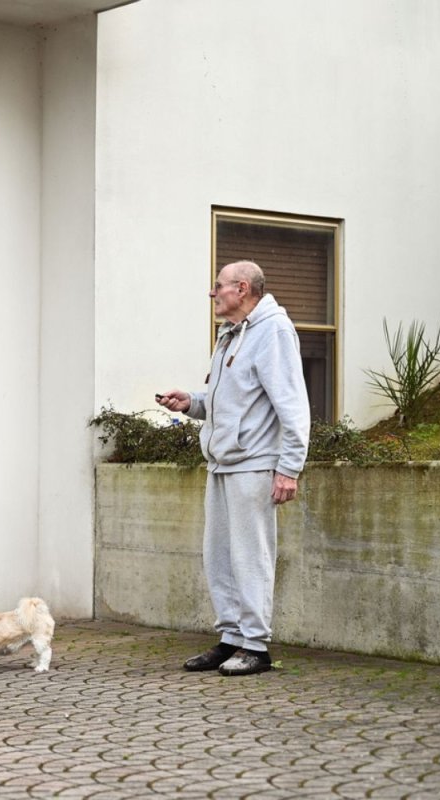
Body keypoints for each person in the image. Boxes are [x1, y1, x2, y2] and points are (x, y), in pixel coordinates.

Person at [157, 260, 310, 677]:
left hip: (255, 465)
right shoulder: (229, 335)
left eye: (219, 286)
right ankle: (231, 639)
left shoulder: (273, 331)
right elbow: (228, 401)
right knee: (220, 557)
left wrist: (289, 468)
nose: (213, 293)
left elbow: (293, 405)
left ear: (241, 288)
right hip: (223, 466)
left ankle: (256, 647)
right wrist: (190, 401)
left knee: (251, 557)